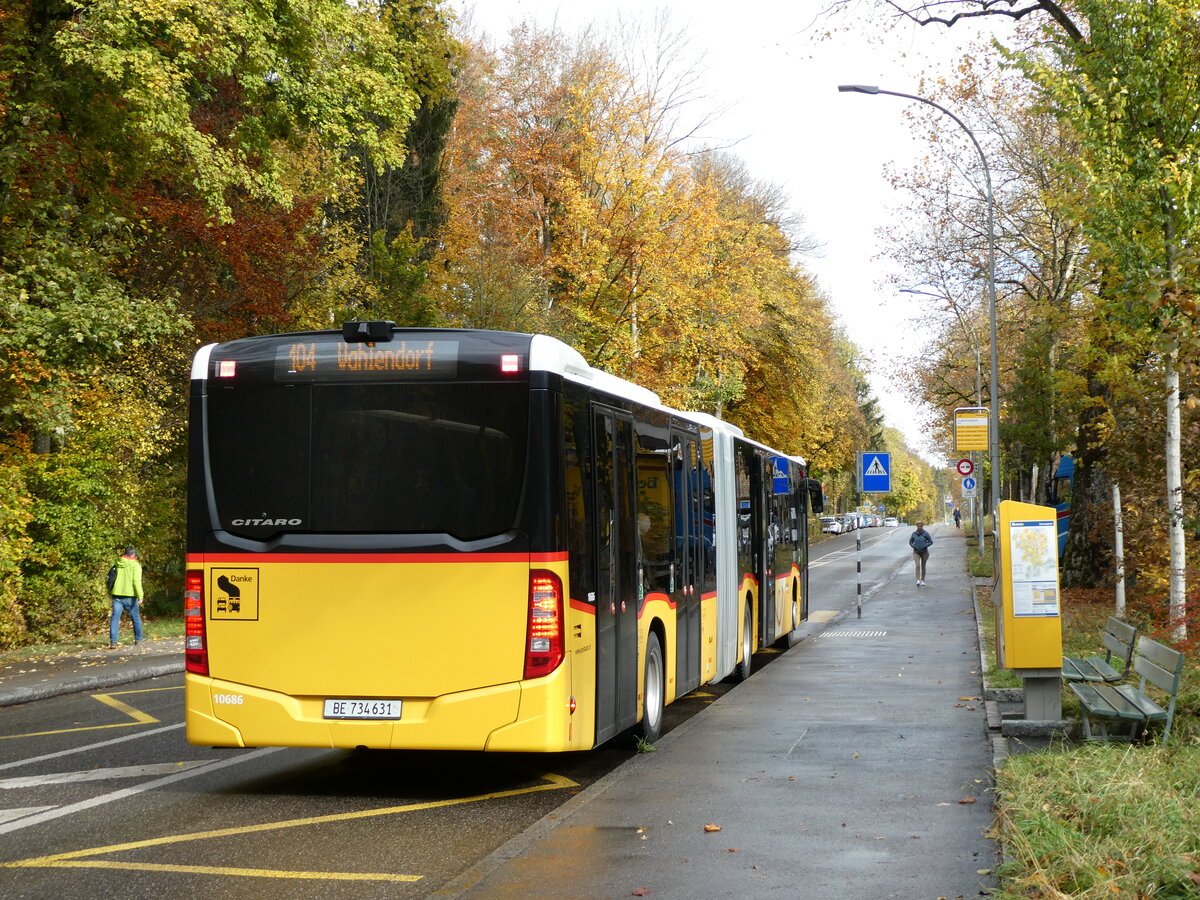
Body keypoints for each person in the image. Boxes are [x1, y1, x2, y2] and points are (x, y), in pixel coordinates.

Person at [109, 546, 144, 649]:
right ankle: (138, 639)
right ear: (133, 555)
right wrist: (140, 595)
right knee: (135, 618)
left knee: (115, 618)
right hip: (130, 595)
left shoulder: (118, 562)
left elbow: (112, 577)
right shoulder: (135, 565)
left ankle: (113, 642)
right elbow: (136, 582)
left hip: (117, 594)